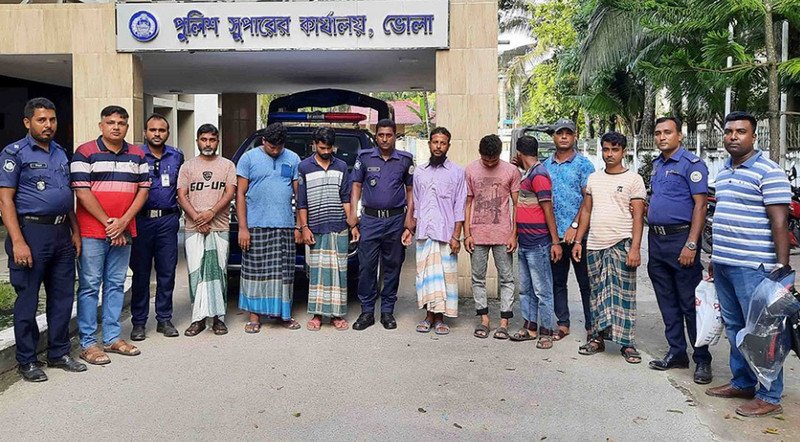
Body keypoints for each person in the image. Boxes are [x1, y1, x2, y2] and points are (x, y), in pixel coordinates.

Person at [705, 111, 792, 417]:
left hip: (755, 268)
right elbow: (724, 217)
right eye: (729, 131)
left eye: (741, 131)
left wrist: (781, 270)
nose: (733, 136)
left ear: (754, 136)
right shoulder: (724, 171)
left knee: (763, 333)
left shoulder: (769, 172)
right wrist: (715, 258)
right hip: (725, 264)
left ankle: (769, 395)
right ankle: (743, 382)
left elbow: (780, 222)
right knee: (735, 328)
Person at [0, 98, 86, 381]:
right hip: (30, 233)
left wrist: (75, 230)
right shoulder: (14, 154)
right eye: (41, 120)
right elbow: (5, 200)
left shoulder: (61, 153)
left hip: (61, 233)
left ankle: (59, 352)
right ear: (28, 122)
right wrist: (18, 241)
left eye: (52, 119)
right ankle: (27, 360)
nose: (48, 125)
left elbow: (66, 196)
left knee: (62, 297)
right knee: (27, 300)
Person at [71, 105, 149, 365]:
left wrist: (123, 223)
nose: (116, 127)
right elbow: (82, 192)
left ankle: (113, 338)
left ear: (127, 126)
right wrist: (110, 223)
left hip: (124, 231)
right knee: (90, 286)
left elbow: (143, 190)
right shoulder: (85, 152)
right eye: (111, 122)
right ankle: (88, 343)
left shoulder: (137, 154)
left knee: (116, 284)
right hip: (92, 231)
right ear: (101, 125)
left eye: (121, 123)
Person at [646, 116, 713, 384]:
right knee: (667, 302)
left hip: (681, 240)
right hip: (656, 241)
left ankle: (702, 359)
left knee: (689, 304)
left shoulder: (691, 165)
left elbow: (701, 206)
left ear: (680, 135)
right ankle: (677, 352)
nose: (662, 137)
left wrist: (692, 243)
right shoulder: (657, 165)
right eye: (658, 133)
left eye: (667, 132)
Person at [572, 132, 645, 364]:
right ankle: (597, 338)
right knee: (596, 295)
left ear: (623, 151)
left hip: (621, 244)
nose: (609, 154)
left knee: (624, 296)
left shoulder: (634, 180)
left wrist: (635, 248)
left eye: (614, 149)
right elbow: (586, 210)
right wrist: (578, 240)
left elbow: (638, 217)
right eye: (605, 149)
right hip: (595, 245)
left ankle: (627, 343)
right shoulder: (594, 179)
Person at [348, 119, 415, 331]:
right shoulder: (364, 157)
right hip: (370, 220)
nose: (385, 139)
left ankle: (387, 311)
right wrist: (353, 215)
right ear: (376, 136)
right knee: (366, 266)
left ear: (395, 136)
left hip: (395, 220)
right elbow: (356, 186)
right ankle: (367, 312)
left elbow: (411, 191)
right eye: (381, 135)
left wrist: (409, 219)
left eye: (389, 135)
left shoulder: (405, 160)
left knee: (393, 266)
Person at [237, 122, 302, 333]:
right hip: (255, 225)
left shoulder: (293, 158)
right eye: (271, 146)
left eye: (279, 147)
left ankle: (283, 315)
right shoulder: (248, 158)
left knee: (284, 274)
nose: (275, 151)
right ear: (263, 141)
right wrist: (243, 228)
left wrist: (299, 226)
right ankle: (254, 317)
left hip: (284, 225)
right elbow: (240, 194)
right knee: (255, 272)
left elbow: (299, 195)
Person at [177, 124, 236, 336]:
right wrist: (197, 218)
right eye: (204, 139)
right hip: (194, 228)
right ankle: (198, 319)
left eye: (212, 139)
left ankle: (218, 318)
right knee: (196, 272)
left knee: (218, 272)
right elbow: (181, 195)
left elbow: (229, 193)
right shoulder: (187, 166)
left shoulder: (227, 165)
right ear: (197, 141)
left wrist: (211, 213)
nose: (208, 144)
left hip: (219, 226)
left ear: (217, 141)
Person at [129, 114, 184, 341]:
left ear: (168, 133)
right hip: (141, 221)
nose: (157, 134)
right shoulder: (135, 155)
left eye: (162, 130)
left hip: (167, 221)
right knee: (141, 273)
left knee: (167, 271)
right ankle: (139, 322)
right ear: (145, 132)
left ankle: (164, 319)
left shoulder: (177, 156)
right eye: (153, 130)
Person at [541, 119, 595, 343]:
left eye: (568, 133)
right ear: (553, 137)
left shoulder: (584, 165)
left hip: (580, 235)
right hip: (554, 236)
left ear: (574, 136)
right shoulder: (545, 165)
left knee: (586, 283)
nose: (563, 137)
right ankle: (563, 324)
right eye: (559, 133)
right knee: (557, 282)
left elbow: (588, 200)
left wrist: (574, 227)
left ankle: (592, 327)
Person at [411, 127, 466, 335]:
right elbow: (416, 202)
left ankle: (441, 319)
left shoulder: (457, 172)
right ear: (429, 144)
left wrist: (456, 236)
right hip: (425, 232)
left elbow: (460, 206)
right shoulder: (420, 172)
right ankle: (428, 317)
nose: (438, 146)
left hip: (446, 233)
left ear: (448, 146)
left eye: (443, 143)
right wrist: (411, 228)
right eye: (435, 142)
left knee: (444, 277)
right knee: (425, 276)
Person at [297, 127, 353, 331]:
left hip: (339, 226)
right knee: (318, 274)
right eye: (322, 148)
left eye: (329, 148)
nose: (326, 151)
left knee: (339, 272)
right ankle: (317, 315)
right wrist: (304, 227)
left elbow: (346, 197)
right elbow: (301, 202)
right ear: (314, 145)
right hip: (315, 227)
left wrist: (352, 224)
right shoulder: (304, 167)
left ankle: (337, 315)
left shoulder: (342, 166)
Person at [464, 134, 521, 339]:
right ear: (479, 153)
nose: (489, 163)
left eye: (493, 160)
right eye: (485, 159)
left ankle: (504, 322)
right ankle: (484, 320)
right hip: (477, 235)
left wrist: (514, 234)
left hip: (503, 235)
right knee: (477, 278)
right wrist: (467, 234)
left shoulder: (511, 171)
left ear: (499, 154)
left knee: (506, 278)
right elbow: (467, 203)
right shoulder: (470, 170)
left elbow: (517, 205)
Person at [509, 136, 561, 349]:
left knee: (542, 290)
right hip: (525, 241)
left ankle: (546, 331)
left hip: (538, 243)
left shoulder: (539, 175)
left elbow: (548, 209)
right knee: (526, 289)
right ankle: (530, 327)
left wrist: (555, 242)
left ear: (519, 153)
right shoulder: (529, 173)